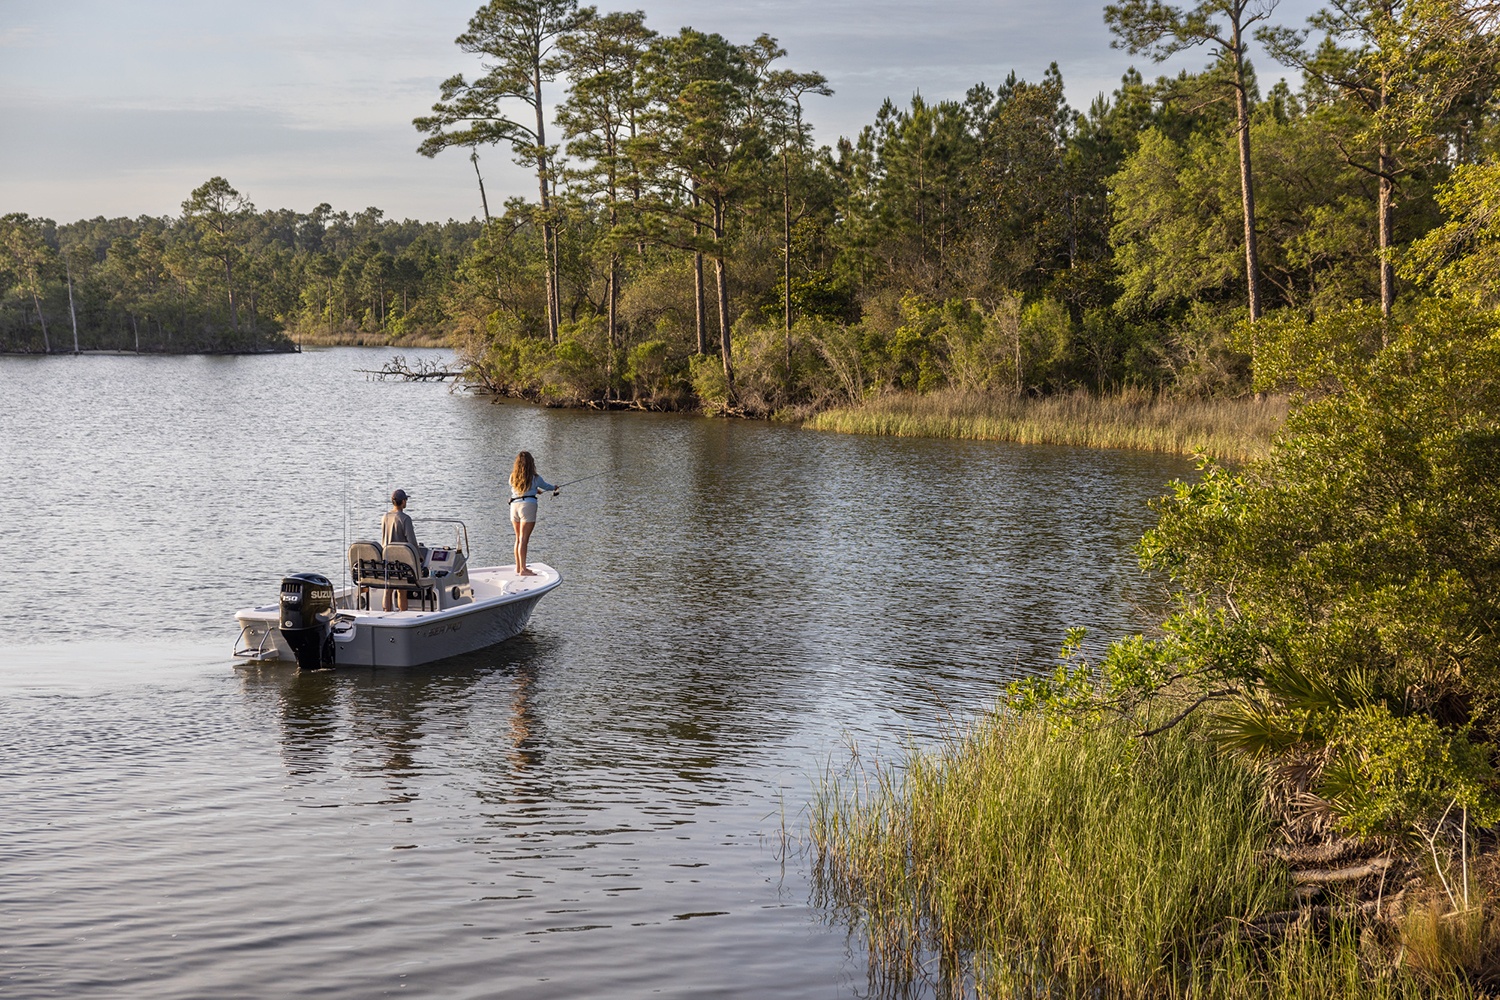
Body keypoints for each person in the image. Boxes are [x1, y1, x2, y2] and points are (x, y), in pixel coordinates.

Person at [508, 451, 556, 576]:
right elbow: (547, 486)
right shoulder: (535, 478)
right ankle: (523, 570)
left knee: (518, 538)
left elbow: (521, 488)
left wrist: (535, 490)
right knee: (524, 540)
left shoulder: (513, 476)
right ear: (531, 463)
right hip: (527, 506)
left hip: (514, 506)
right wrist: (555, 487)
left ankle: (519, 567)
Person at [380, 488, 421, 610]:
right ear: (403, 501)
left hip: (386, 559)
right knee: (401, 591)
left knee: (388, 591)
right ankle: (403, 614)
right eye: (406, 500)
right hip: (401, 561)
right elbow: (412, 542)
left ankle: (386, 613)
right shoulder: (405, 518)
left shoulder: (385, 517)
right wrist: (419, 556)